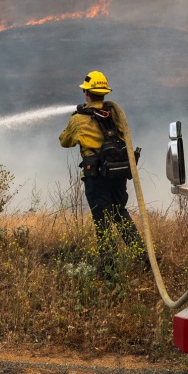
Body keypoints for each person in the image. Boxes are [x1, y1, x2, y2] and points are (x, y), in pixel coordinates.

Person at [59, 70, 141, 256]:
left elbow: (65, 142)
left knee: (102, 220)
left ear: (87, 93)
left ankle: (108, 266)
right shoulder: (115, 114)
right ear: (104, 93)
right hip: (118, 173)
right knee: (120, 214)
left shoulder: (78, 119)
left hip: (96, 177)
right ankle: (140, 255)